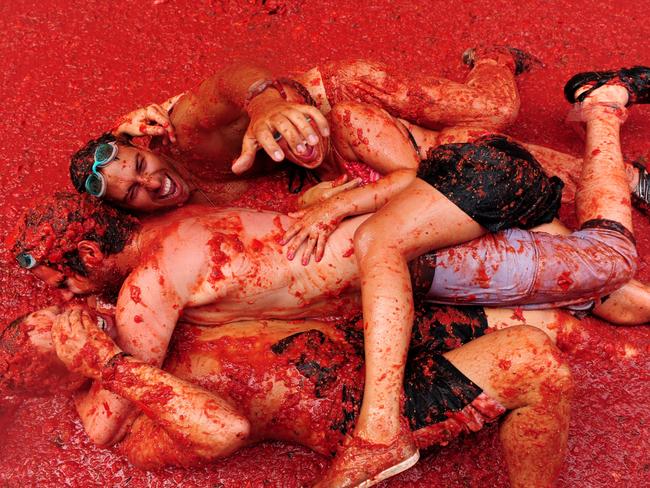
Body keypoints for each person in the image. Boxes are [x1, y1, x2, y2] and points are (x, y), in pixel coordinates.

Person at [320, 68, 647, 486]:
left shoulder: (349, 120)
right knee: (624, 303)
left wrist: (341, 204)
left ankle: (602, 102)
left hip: (466, 208)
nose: (298, 144)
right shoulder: (316, 173)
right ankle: (602, 109)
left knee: (609, 262)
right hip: (462, 229)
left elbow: (411, 179)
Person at [1, 302, 574, 487]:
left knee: (546, 318)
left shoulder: (139, 320)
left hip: (358, 336)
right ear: (55, 378)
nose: (80, 320)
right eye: (62, 333)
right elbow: (222, 431)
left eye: (64, 314)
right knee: (535, 360)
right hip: (359, 410)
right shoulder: (125, 428)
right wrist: (109, 364)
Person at [67, 47, 537, 211]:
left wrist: (264, 107)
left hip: (342, 93)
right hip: (335, 148)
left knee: (493, 111)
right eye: (134, 193)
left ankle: (493, 58)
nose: (152, 182)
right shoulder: (163, 211)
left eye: (142, 166)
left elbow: (235, 74)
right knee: (465, 158)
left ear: (147, 148)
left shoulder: (181, 132)